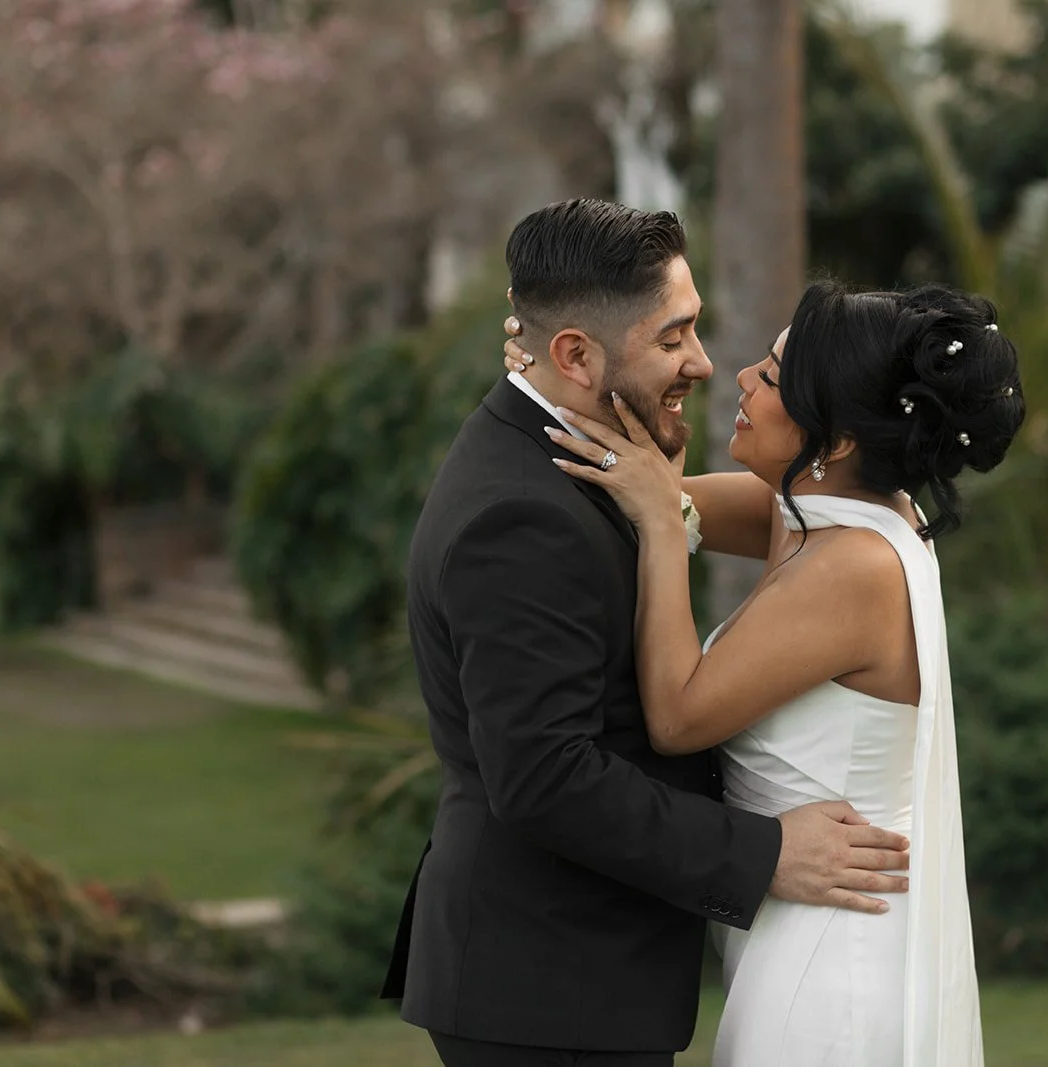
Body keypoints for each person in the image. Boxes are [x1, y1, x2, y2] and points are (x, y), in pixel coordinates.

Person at [382, 199, 914, 1067]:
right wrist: (767, 852)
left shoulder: (592, 461)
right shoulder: (519, 514)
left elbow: (788, 510)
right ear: (574, 354)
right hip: (544, 988)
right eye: (673, 339)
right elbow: (545, 776)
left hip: (583, 979)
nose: (704, 363)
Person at [507, 278, 1025, 1066]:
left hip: (833, 964)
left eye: (776, 379)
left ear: (839, 440)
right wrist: (560, 378)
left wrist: (658, 526)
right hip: (805, 930)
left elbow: (677, 715)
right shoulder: (839, 510)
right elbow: (648, 487)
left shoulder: (853, 565)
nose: (741, 377)